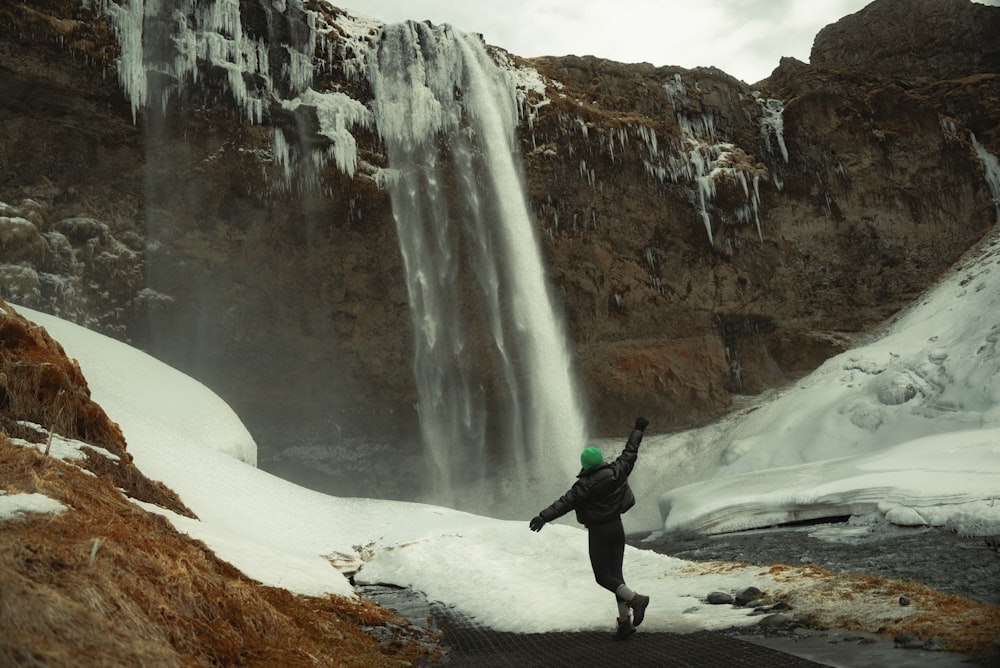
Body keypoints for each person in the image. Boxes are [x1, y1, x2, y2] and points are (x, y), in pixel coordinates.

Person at [528, 417, 650, 640]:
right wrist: (638, 430)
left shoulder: (583, 487)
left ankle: (636, 600)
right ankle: (625, 623)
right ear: (600, 461)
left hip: (599, 533)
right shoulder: (617, 471)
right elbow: (630, 452)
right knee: (616, 577)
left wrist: (543, 517)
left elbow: (563, 503)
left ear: (585, 465)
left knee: (603, 577)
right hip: (617, 527)